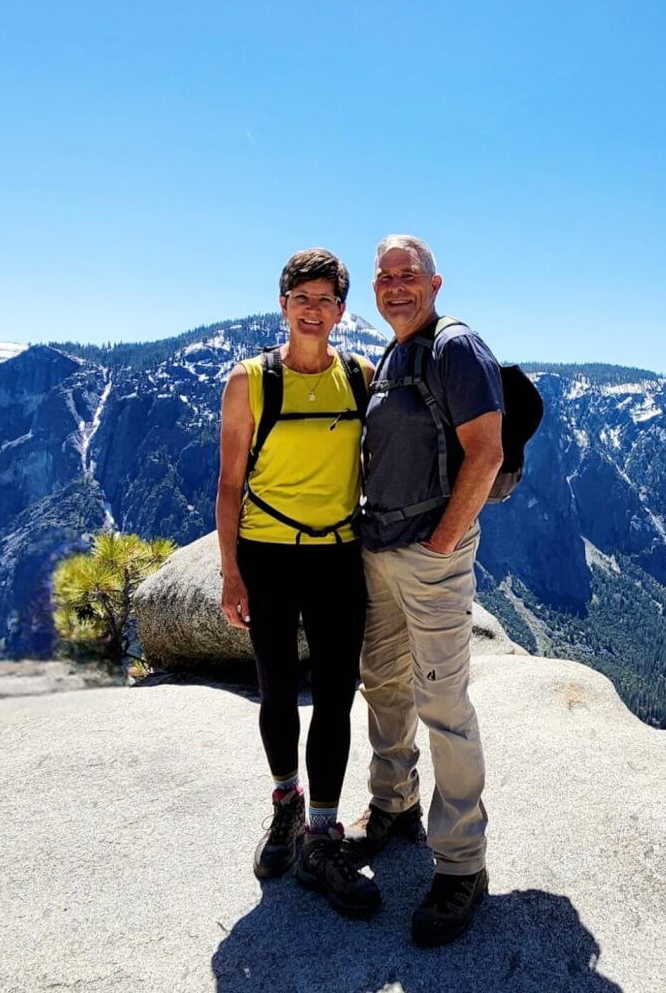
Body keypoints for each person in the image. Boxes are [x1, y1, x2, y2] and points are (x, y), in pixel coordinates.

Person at [348, 233, 504, 948]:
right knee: (383, 684)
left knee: (442, 702)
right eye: (384, 276)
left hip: (429, 554)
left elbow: (487, 451)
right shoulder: (390, 353)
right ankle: (394, 806)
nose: (394, 286)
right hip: (380, 551)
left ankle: (462, 862)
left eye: (407, 274)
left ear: (435, 283)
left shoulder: (454, 346)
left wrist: (443, 541)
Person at [215, 248, 379, 919]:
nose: (314, 310)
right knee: (277, 688)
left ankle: (322, 830)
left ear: (341, 311)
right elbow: (229, 483)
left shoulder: (362, 377)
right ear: (283, 305)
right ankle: (286, 802)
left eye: (326, 300)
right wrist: (231, 572)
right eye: (301, 298)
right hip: (270, 554)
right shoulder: (249, 382)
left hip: (339, 555)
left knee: (337, 696)